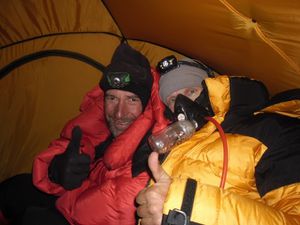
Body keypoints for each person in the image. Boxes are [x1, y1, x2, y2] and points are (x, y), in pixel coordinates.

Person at [0, 42, 168, 225]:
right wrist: (55, 171)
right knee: (14, 190)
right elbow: (73, 143)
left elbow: (115, 209)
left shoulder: (152, 149)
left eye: (132, 100)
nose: (119, 113)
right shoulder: (99, 125)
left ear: (145, 106)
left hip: (85, 215)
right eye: (112, 98)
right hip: (74, 199)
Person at [136, 55, 300, 225]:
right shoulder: (177, 147)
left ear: (210, 91)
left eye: (191, 92)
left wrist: (184, 209)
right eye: (172, 100)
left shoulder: (271, 130)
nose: (182, 105)